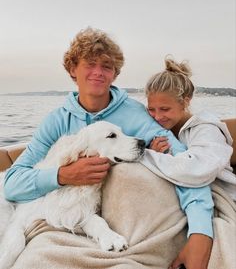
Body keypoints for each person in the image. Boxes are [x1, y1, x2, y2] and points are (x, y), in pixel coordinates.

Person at [4, 28, 213, 269]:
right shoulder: (57, 122)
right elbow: (12, 184)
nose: (98, 72)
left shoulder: (136, 115)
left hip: (127, 220)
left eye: (107, 66)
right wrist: (63, 175)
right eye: (90, 64)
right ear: (73, 69)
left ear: (115, 74)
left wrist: (200, 234)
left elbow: (186, 165)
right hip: (68, 217)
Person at [142, 57, 236, 269]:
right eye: (151, 109)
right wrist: (151, 149)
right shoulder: (157, 132)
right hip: (179, 199)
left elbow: (196, 170)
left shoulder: (207, 129)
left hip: (222, 198)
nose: (157, 117)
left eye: (164, 109)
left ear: (185, 101)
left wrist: (144, 155)